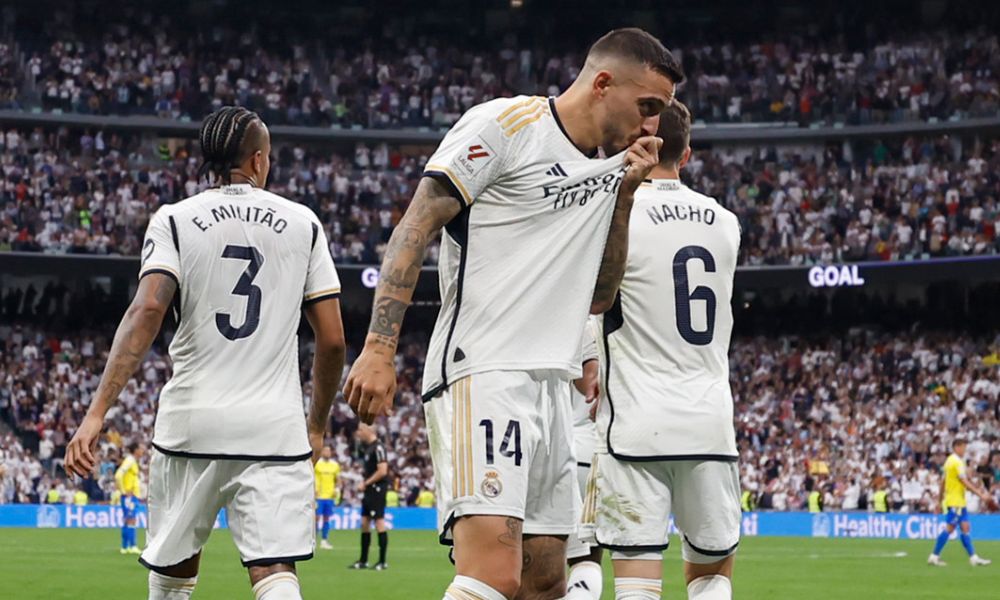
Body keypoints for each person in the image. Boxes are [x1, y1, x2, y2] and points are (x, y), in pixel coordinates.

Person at [345, 27, 681, 600]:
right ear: (603, 84)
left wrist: (624, 196)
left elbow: (599, 296)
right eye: (648, 107)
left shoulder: (604, 171)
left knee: (547, 581)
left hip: (552, 384)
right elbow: (417, 224)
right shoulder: (507, 125)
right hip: (484, 370)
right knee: (492, 574)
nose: (653, 126)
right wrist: (379, 348)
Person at [64, 106, 347, 600]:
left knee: (174, 574)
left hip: (193, 421)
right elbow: (333, 339)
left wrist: (95, 415)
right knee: (275, 571)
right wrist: (317, 424)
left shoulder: (175, 219)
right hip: (273, 427)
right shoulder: (304, 224)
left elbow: (148, 308)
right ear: (259, 160)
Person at [583, 101, 742, 600]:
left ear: (637, 143)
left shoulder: (614, 214)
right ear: (687, 153)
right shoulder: (726, 222)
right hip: (709, 421)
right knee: (712, 580)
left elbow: (592, 303)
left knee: (636, 584)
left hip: (636, 423)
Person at [566, 319, 604, 600]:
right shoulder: (610, 325)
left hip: (559, 448)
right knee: (587, 560)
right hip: (593, 452)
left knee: (539, 561)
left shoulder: (567, 316)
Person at [928, 438, 995, 567]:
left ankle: (973, 558)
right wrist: (981, 494)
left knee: (965, 528)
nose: (965, 450)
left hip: (957, 501)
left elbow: (943, 482)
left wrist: (939, 501)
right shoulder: (957, 462)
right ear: (957, 447)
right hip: (956, 501)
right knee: (950, 528)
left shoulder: (949, 461)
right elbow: (964, 482)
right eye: (964, 447)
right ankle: (934, 556)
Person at [349, 423, 390, 570]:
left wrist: (366, 483)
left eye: (360, 429)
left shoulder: (379, 447)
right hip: (369, 489)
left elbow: (383, 471)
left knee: (379, 522)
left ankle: (382, 561)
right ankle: (363, 560)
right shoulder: (368, 448)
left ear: (368, 430)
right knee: (365, 522)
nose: (358, 432)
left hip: (377, 489)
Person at [115, 443, 146, 555]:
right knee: (131, 520)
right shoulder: (130, 460)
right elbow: (118, 475)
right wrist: (123, 490)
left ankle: (125, 547)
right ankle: (132, 546)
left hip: (131, 496)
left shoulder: (132, 460)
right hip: (129, 496)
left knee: (128, 520)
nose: (142, 451)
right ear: (136, 450)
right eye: (141, 449)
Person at [315, 446, 341, 550]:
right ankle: (314, 541)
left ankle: (324, 540)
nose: (327, 452)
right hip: (318, 496)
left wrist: (337, 489)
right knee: (316, 519)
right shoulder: (317, 463)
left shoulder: (335, 465)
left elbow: (338, 479)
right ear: (322, 452)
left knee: (326, 518)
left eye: (329, 451)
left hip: (329, 496)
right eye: (325, 450)